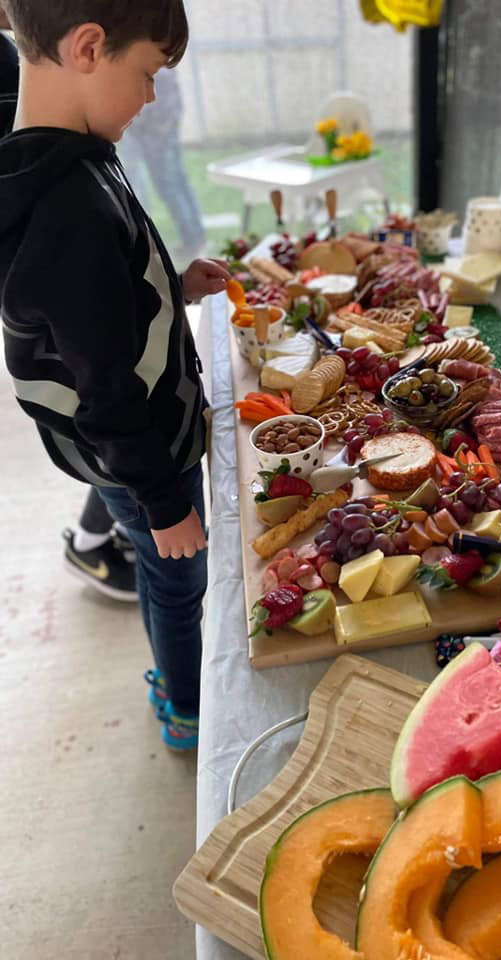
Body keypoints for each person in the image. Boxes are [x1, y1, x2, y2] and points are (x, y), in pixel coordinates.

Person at [0, 0, 231, 750]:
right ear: (90, 47)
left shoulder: (71, 146)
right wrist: (166, 505)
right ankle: (189, 705)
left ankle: (179, 673)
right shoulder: (65, 208)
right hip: (139, 452)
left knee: (168, 567)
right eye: (150, 74)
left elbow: (108, 293)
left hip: (115, 449)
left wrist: (173, 282)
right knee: (176, 578)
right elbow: (105, 389)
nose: (153, 97)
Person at [0, 2, 138, 601]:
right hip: (86, 401)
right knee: (97, 387)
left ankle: (111, 520)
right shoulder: (66, 200)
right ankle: (94, 539)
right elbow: (97, 374)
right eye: (149, 75)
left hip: (70, 368)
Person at [120, 67, 206, 263]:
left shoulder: (153, 61)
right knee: (176, 182)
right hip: (162, 127)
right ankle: (194, 237)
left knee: (170, 186)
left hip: (157, 131)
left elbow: (158, 94)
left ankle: (193, 239)